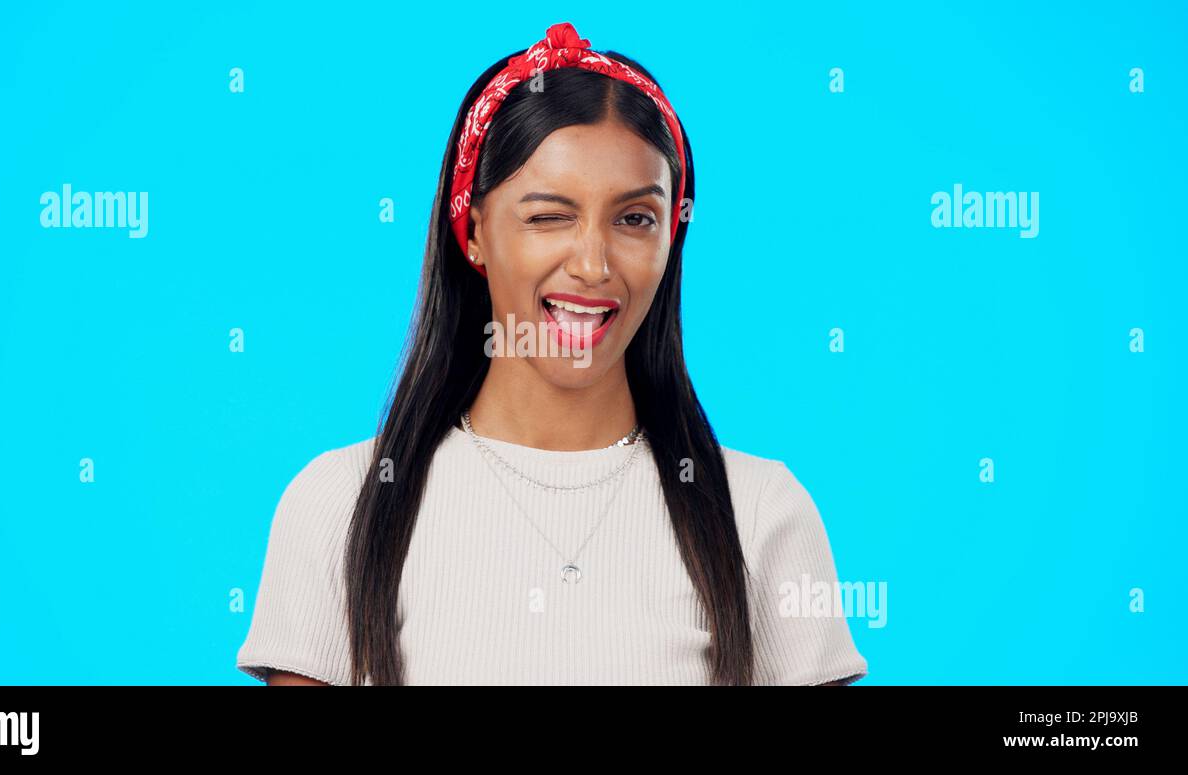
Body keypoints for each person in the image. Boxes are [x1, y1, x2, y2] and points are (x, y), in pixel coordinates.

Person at [236, 21, 868, 686]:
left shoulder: (763, 513)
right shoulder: (340, 504)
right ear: (474, 231)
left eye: (634, 219)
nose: (593, 265)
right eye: (547, 216)